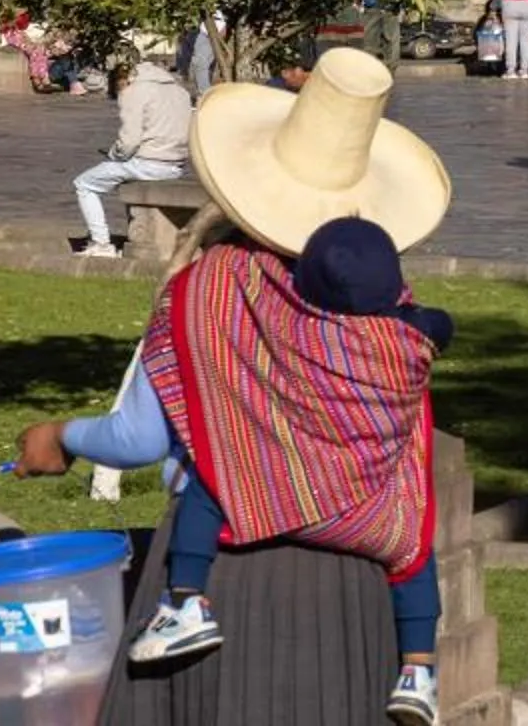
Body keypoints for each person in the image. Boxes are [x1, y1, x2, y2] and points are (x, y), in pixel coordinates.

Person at [50, 47, 456, 726]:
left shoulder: (210, 290)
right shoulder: (387, 318)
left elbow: (142, 434)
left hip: (221, 570)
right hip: (353, 583)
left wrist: (59, 436)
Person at [121, 219, 453, 725]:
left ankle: (186, 601)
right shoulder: (408, 340)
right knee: (414, 548)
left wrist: (64, 437)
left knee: (217, 473)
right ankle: (419, 672)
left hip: (260, 505)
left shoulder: (261, 318)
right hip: (368, 524)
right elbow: (438, 324)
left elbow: (139, 436)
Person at [74, 41, 193, 258]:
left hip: (148, 163)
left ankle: (101, 243)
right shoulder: (180, 92)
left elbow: (129, 142)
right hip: (175, 165)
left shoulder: (135, 91)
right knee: (122, 173)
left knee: (85, 184)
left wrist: (113, 154)